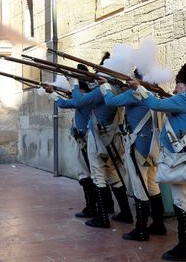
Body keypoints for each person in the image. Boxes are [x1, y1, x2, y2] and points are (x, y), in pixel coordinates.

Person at [129, 57, 186, 261]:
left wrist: (140, 88)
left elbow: (154, 104)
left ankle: (185, 248)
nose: (175, 89)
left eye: (177, 85)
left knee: (181, 201)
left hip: (179, 159)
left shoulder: (184, 99)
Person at [99, 70, 166, 241]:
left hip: (138, 147)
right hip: (152, 147)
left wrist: (105, 85)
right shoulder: (150, 93)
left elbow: (110, 102)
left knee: (138, 185)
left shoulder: (135, 93)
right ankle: (158, 224)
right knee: (152, 185)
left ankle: (141, 229)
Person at [70, 75, 133, 228]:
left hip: (98, 139)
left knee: (98, 176)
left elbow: (79, 101)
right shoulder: (117, 91)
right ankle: (126, 212)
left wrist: (74, 84)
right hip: (111, 139)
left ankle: (102, 218)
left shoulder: (102, 91)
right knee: (113, 175)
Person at [45, 71, 98, 219]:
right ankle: (102, 206)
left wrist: (52, 93)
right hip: (87, 140)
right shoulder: (87, 98)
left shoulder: (84, 99)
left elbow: (63, 104)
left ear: (82, 89)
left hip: (85, 141)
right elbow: (71, 101)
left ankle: (92, 208)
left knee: (85, 174)